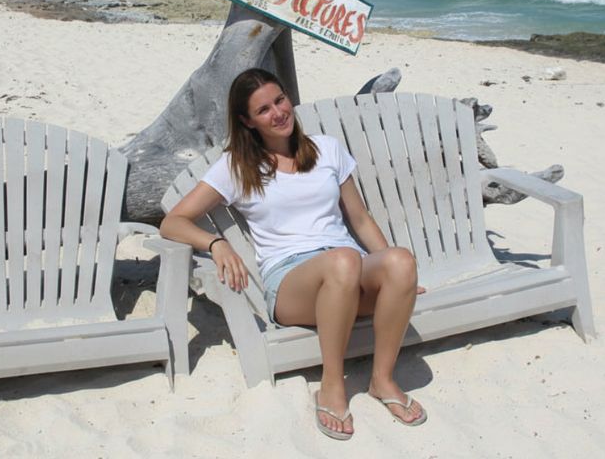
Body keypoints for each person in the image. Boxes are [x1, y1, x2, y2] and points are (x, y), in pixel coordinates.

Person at [161, 68, 426, 440]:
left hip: (348, 270)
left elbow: (360, 218)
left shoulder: (327, 149)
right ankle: (331, 385)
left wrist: (398, 281)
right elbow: (173, 222)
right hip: (291, 284)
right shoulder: (237, 167)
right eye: (264, 110)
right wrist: (215, 243)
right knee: (343, 261)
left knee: (401, 261)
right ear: (247, 121)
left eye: (280, 100)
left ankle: (382, 380)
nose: (278, 113)